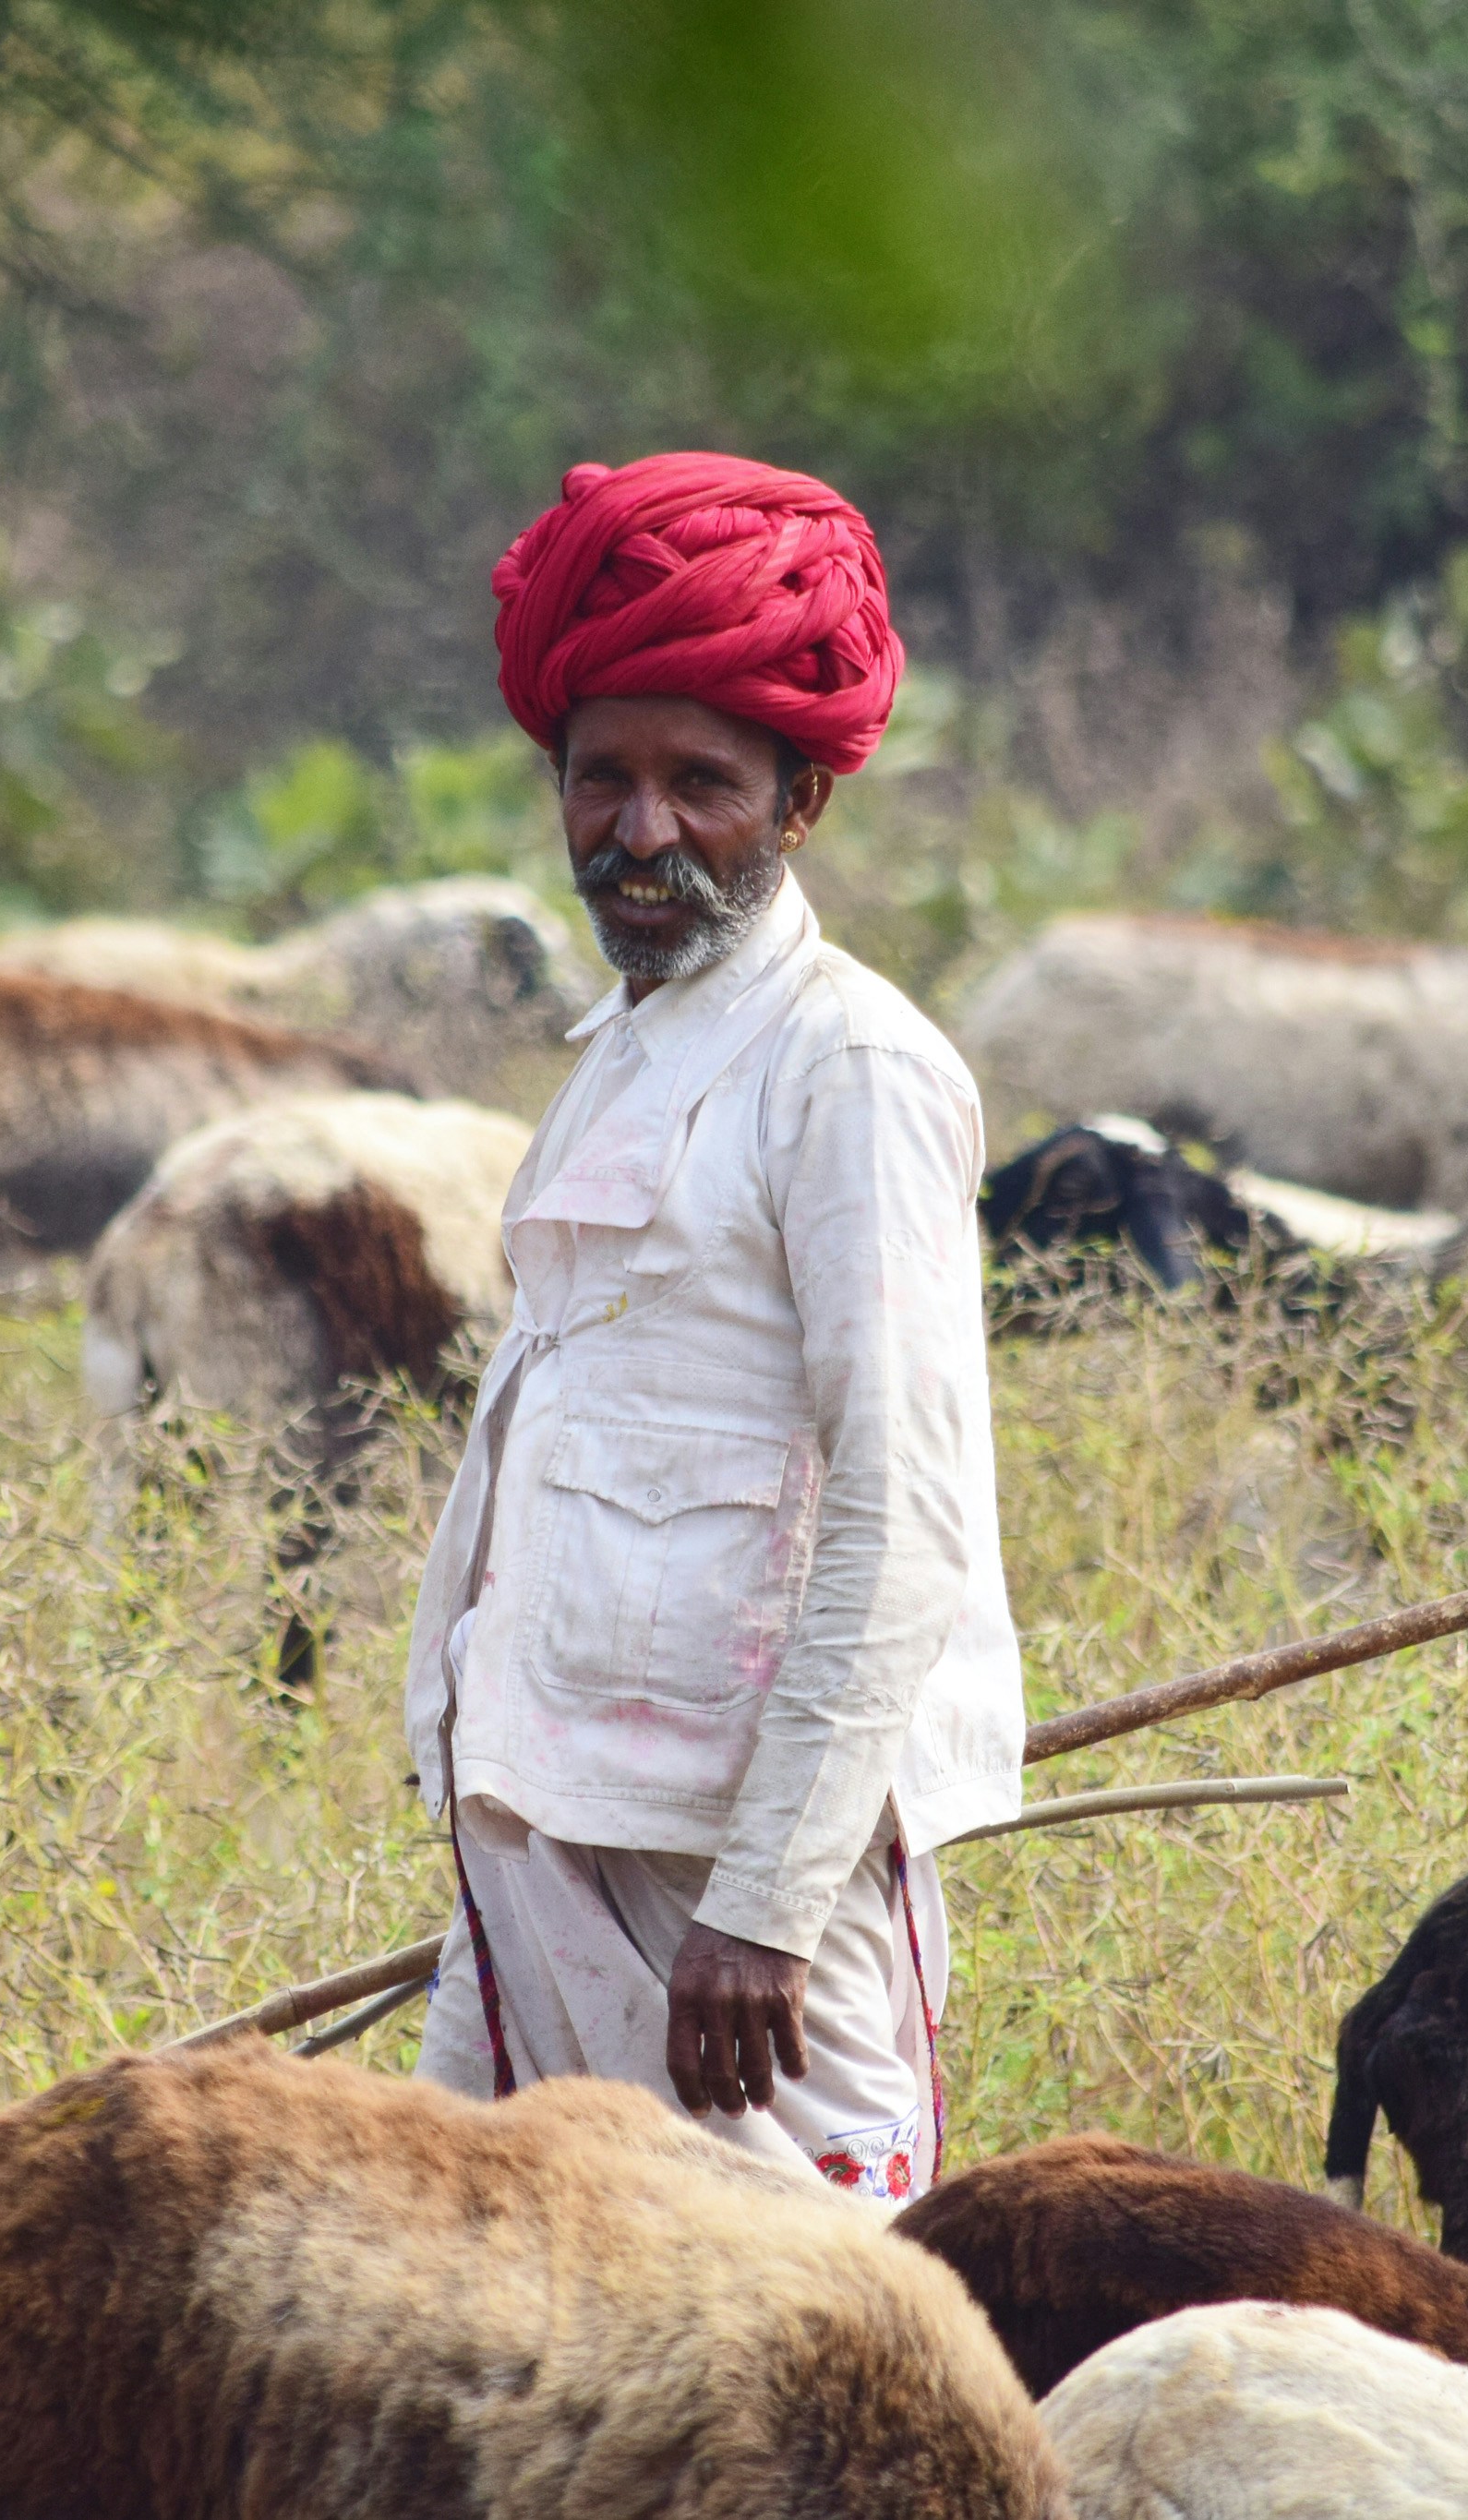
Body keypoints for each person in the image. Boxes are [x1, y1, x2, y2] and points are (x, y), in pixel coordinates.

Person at [404, 452, 1022, 2202]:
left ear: (802, 800)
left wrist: (762, 1902)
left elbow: (901, 1524)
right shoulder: (619, 1049)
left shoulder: (854, 1066)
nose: (644, 831)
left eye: (705, 784)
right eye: (603, 778)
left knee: (808, 2391)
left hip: (743, 1914)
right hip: (530, 1838)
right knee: (496, 2366)